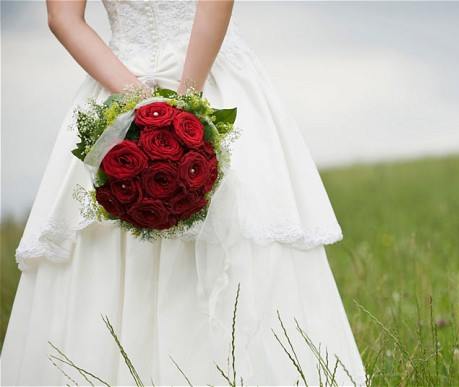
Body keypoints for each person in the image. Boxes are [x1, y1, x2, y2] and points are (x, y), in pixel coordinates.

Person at [0, 0, 366, 385]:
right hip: (185, 81)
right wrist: (171, 110)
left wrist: (157, 107)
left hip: (173, 75)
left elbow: (62, 17)